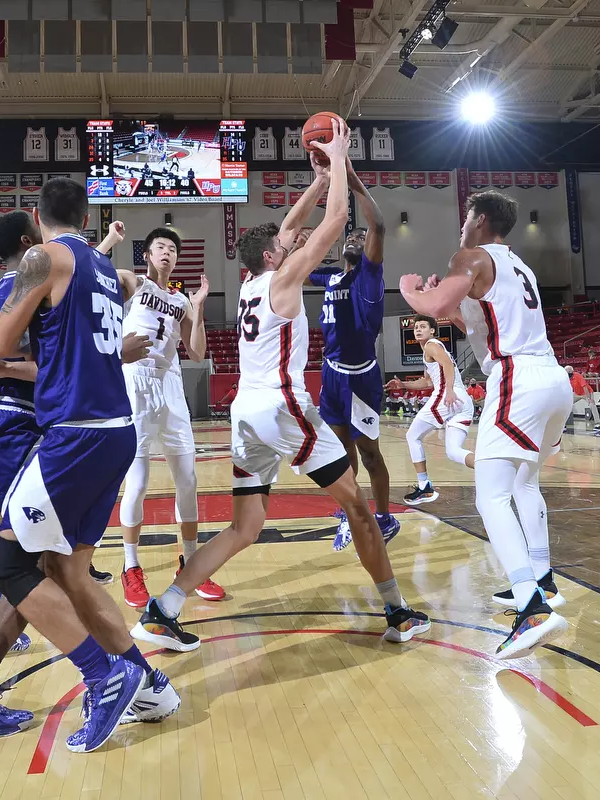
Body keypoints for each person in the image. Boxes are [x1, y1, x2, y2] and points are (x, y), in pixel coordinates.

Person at [131, 120, 430, 652]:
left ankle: (163, 608)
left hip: (246, 411)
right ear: (272, 257)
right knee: (358, 508)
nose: (287, 242)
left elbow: (290, 227)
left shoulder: (251, 279)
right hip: (283, 406)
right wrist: (337, 160)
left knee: (244, 526)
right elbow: (336, 220)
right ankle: (397, 612)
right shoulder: (284, 278)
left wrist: (314, 182)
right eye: (281, 245)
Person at [0, 178, 180, 753]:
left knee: (9, 565)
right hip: (117, 431)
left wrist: (8, 349)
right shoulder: (105, 272)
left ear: (37, 220)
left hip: (75, 433)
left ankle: (105, 676)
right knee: (71, 572)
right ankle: (151, 686)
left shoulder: (44, 258)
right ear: (86, 217)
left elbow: (6, 341)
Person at [0, 211, 141, 740]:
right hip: (18, 422)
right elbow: (55, 361)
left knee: (39, 558)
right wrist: (116, 351)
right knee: (31, 562)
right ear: (31, 245)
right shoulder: (43, 282)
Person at [398, 189, 570, 659]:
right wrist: (454, 304)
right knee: (524, 485)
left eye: (465, 217)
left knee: (490, 494)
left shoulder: (470, 255)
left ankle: (532, 608)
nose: (460, 225)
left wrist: (411, 287)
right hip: (554, 378)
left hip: (518, 378)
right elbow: (471, 316)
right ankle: (543, 582)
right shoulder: (519, 265)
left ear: (481, 219)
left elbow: (431, 309)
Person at [116, 225, 226, 609]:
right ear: (147, 254)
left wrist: (199, 307)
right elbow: (100, 280)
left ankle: (192, 565)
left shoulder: (181, 300)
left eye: (172, 249)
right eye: (160, 247)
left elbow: (197, 353)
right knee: (139, 482)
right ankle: (130, 566)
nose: (167, 252)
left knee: (189, 479)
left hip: (171, 385)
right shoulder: (134, 283)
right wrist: (109, 240)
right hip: (137, 382)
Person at [308, 161, 399, 550]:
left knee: (369, 451)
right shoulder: (329, 276)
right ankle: (351, 510)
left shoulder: (370, 276)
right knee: (340, 449)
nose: (357, 238)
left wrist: (350, 177)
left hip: (361, 376)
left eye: (362, 238)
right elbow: (295, 265)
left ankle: (383, 517)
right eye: (353, 236)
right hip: (331, 374)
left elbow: (378, 225)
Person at [385, 314, 474, 507]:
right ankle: (492, 469)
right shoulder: (429, 350)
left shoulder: (431, 345)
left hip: (448, 397)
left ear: (432, 330)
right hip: (462, 402)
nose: (418, 329)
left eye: (422, 326)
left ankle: (424, 486)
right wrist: (402, 384)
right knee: (453, 451)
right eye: (416, 327)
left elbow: (448, 365)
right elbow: (426, 381)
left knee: (412, 436)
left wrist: (449, 391)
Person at [565, 365, 600, 436]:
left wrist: (589, 398)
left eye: (568, 372)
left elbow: (585, 387)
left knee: (592, 405)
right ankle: (563, 425)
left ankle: (597, 425)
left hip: (586, 392)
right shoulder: (566, 378)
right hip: (576, 393)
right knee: (566, 405)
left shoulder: (578, 376)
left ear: (571, 372)